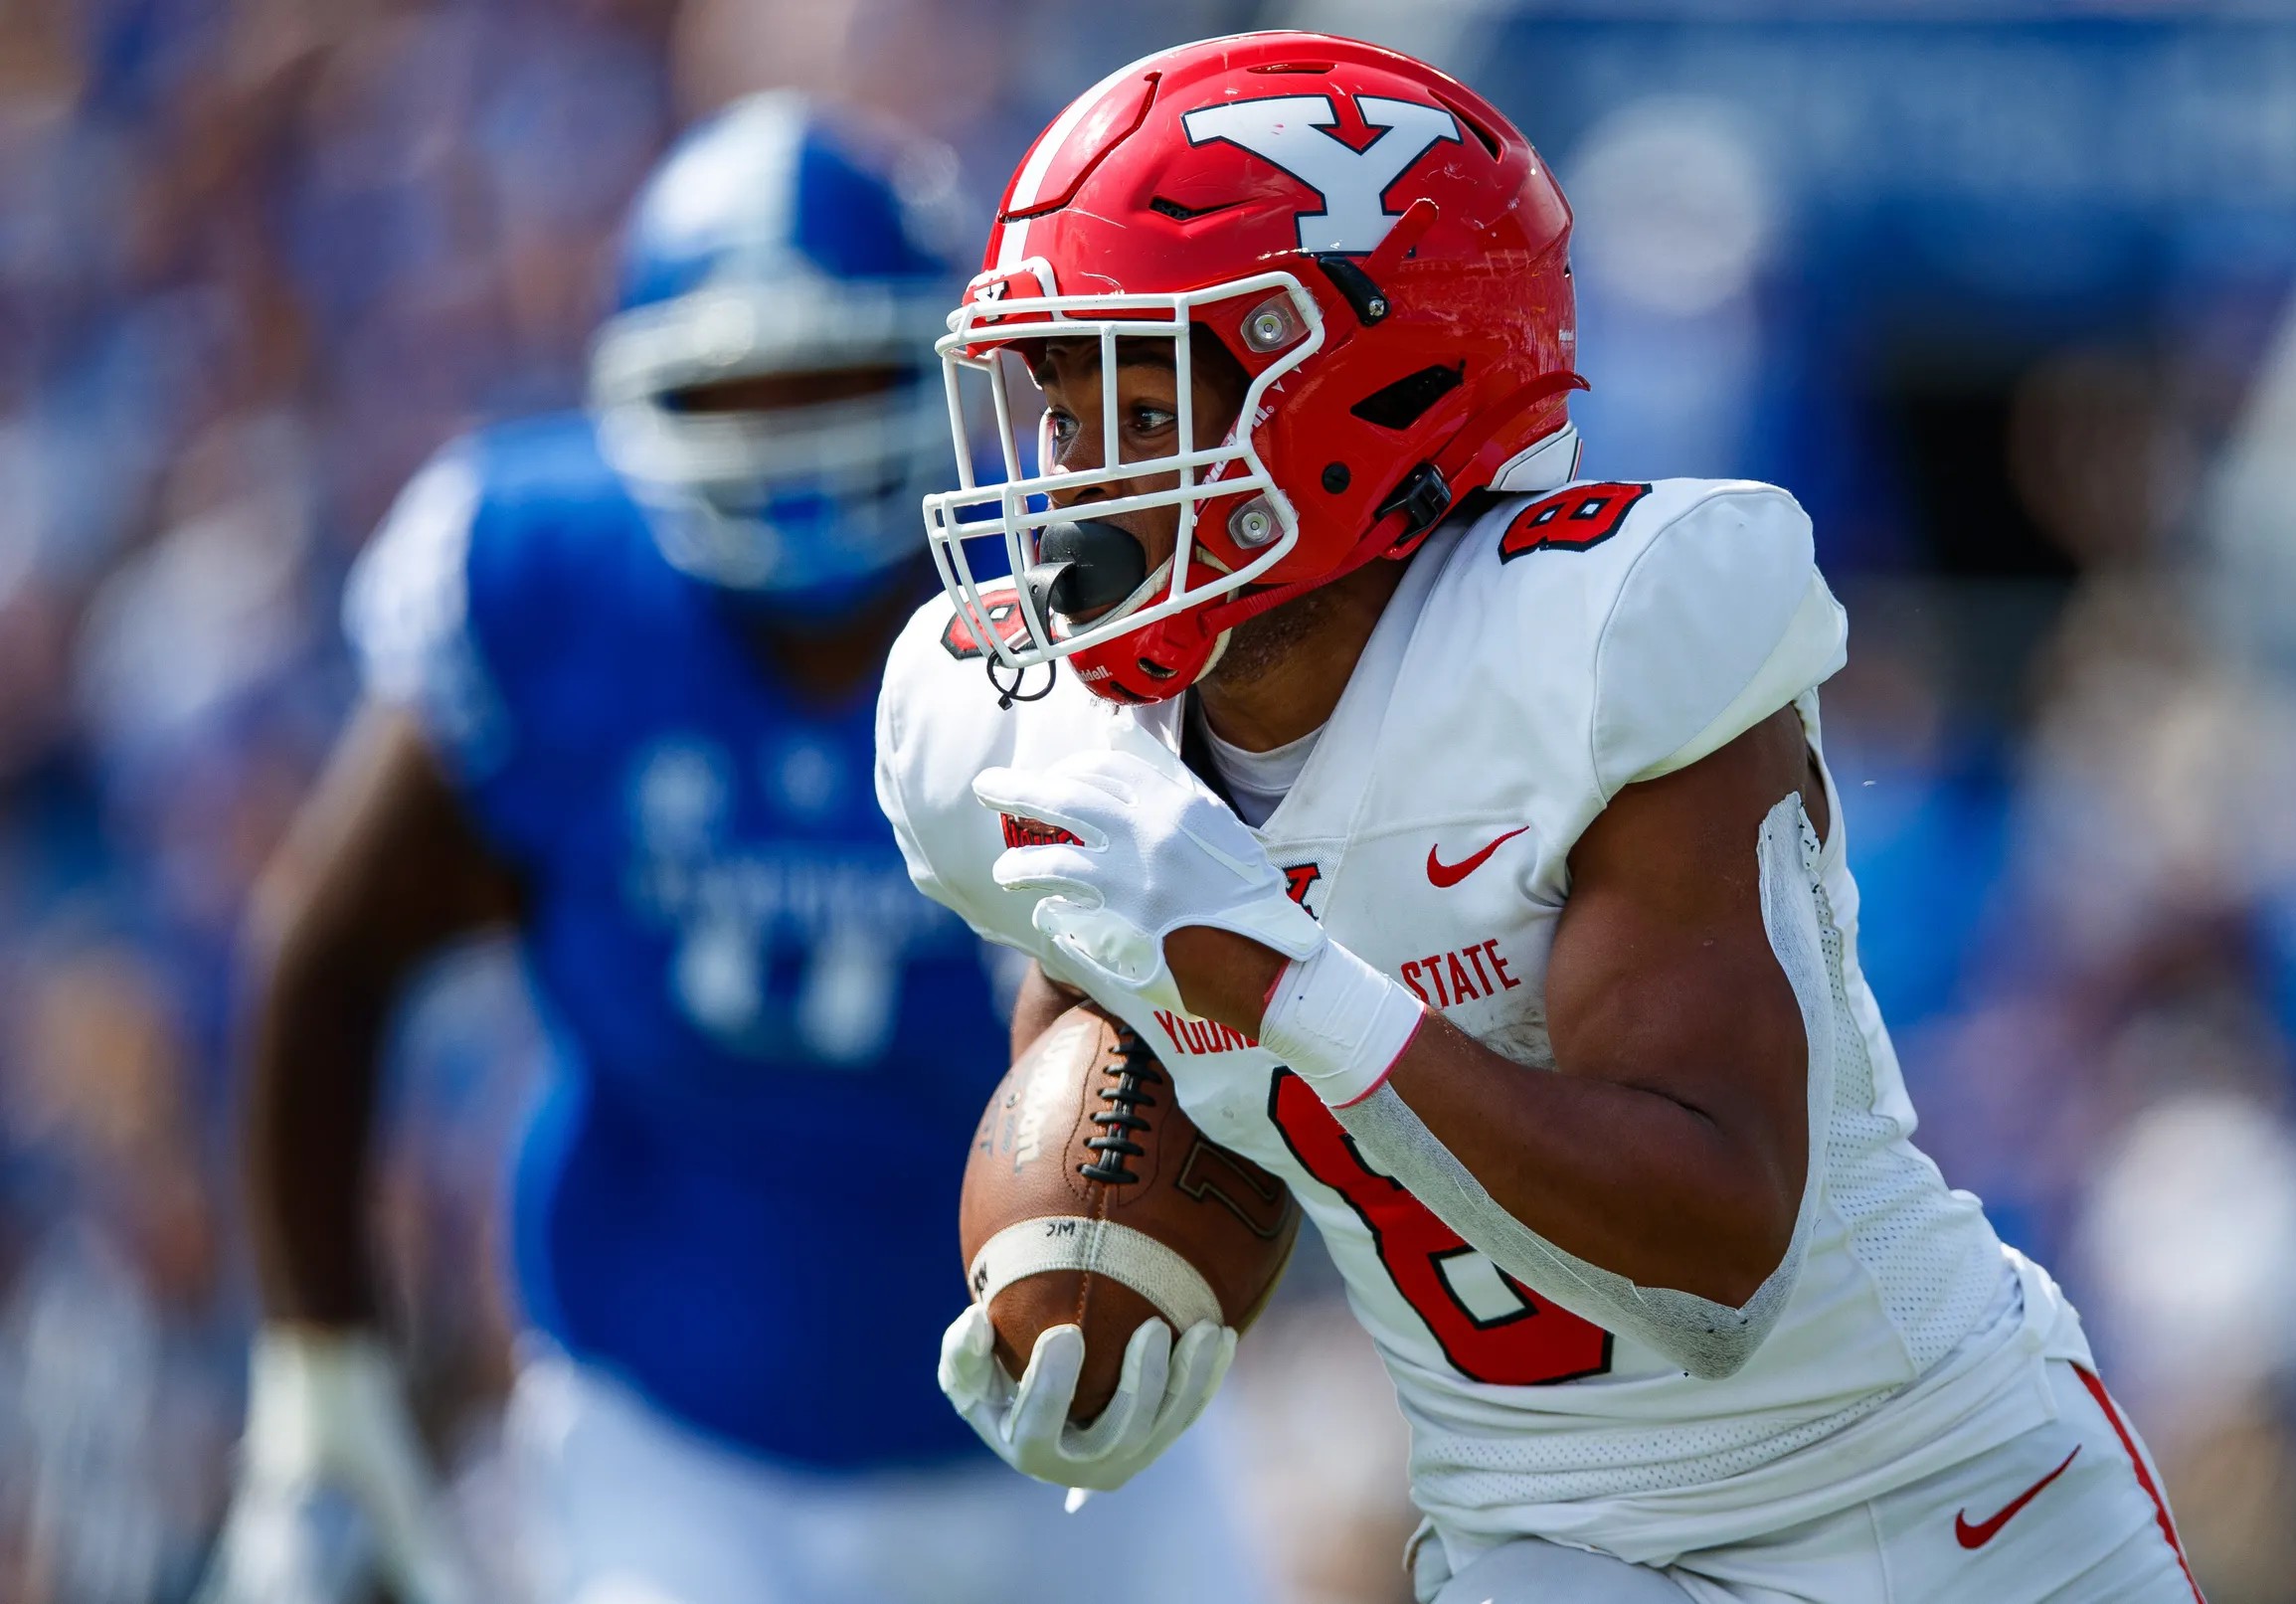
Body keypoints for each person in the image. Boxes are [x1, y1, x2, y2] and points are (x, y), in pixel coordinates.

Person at [876, 32, 2205, 1604]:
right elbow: (1111, 1006)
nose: (1074, 484)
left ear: (1359, 393)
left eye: (1143, 401)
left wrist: (1278, 971)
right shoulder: (1030, 734)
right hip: (1547, 1538)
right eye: (1061, 410)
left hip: (1937, 1506)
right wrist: (1097, 1279)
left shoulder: (1594, 641)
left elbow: (1717, 1255)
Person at [213, 93, 1254, 1604]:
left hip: (1083, 1448)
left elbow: (1253, 991)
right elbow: (329, 950)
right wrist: (318, 1362)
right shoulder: (541, 587)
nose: (791, 437)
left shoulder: (1092, 589)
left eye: (831, 377)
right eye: (735, 396)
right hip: (681, 1452)